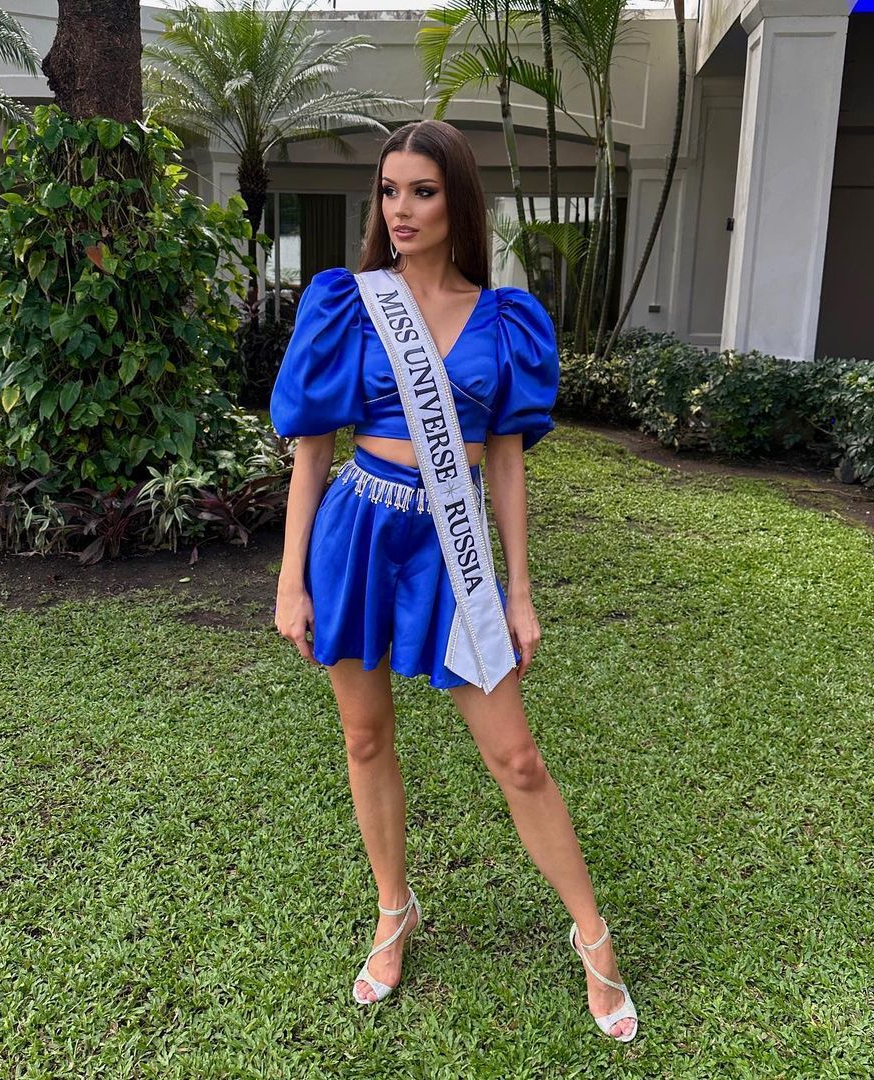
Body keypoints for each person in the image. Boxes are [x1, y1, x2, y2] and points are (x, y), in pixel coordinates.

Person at [269, 119, 637, 1041]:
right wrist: (290, 580)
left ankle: (593, 937)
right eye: (389, 191)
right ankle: (394, 912)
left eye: (422, 192)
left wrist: (519, 591)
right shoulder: (349, 304)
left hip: (453, 545)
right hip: (358, 532)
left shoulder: (506, 319)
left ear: (457, 200)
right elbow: (312, 450)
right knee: (365, 738)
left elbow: (504, 460)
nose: (401, 209)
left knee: (518, 756)